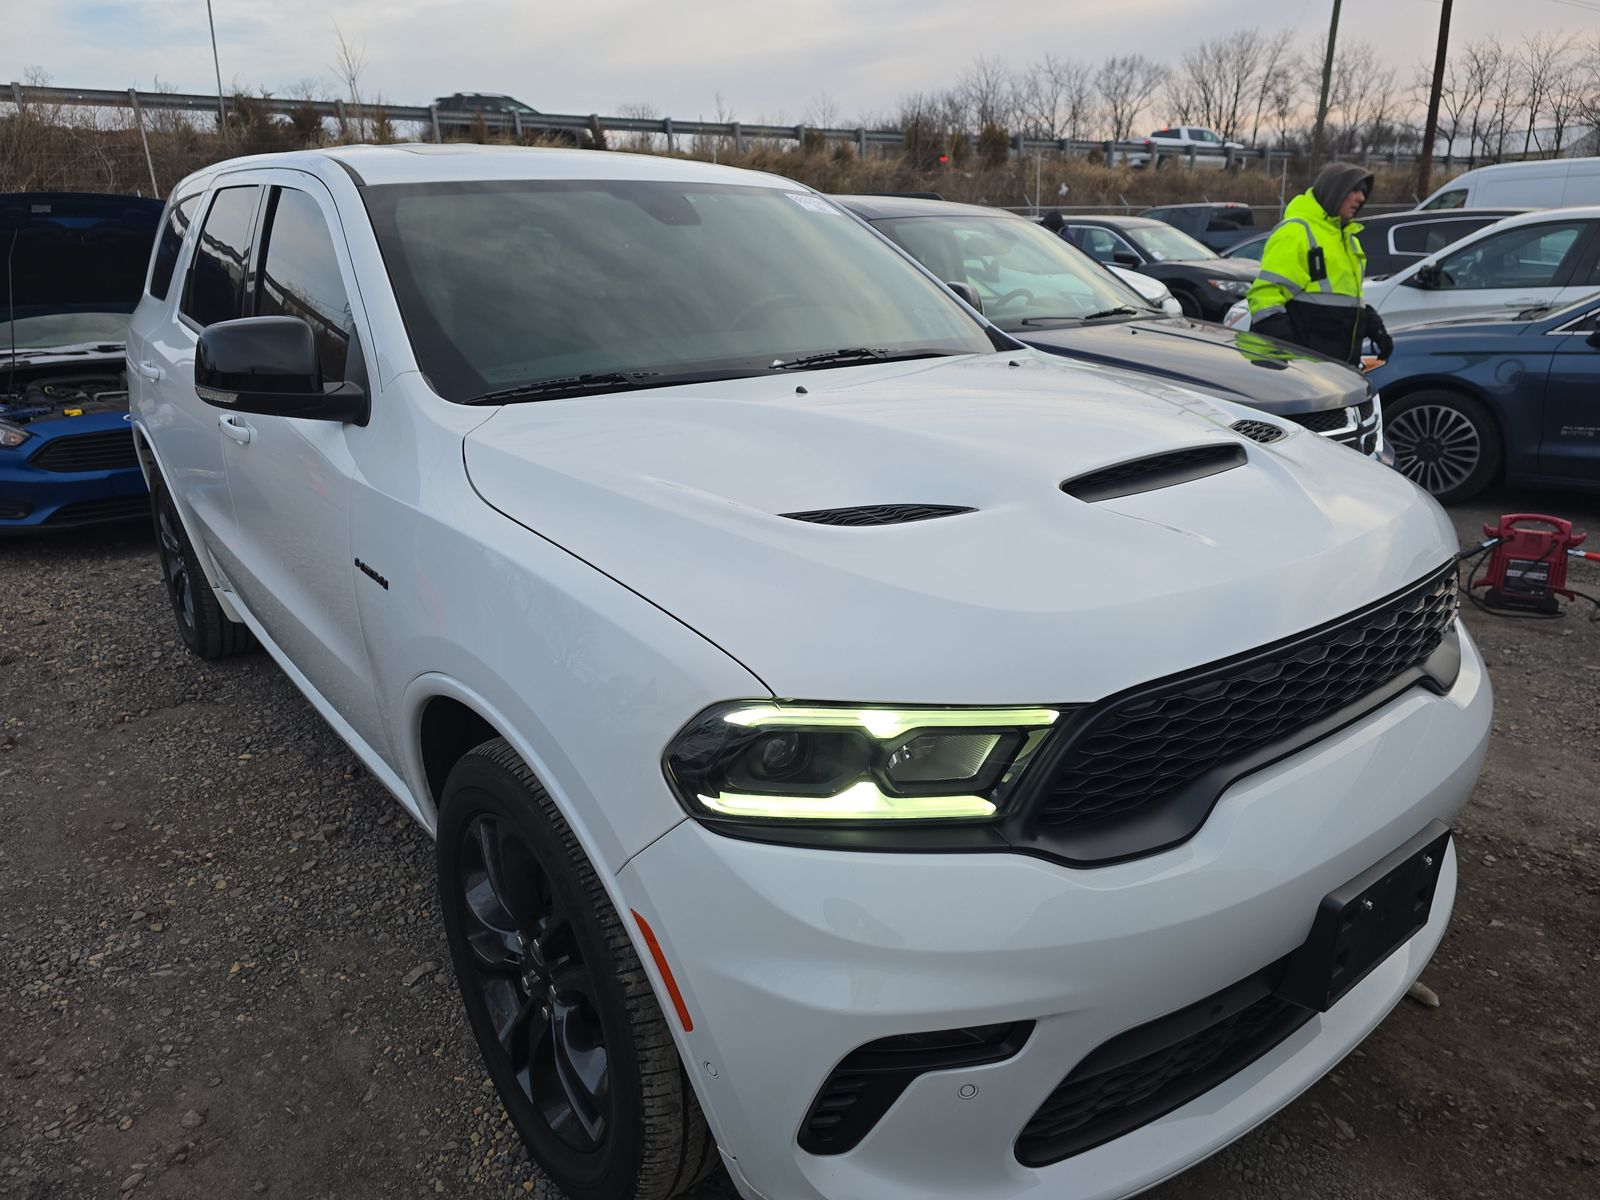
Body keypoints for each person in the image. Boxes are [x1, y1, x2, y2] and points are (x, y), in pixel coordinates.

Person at [1245, 162, 1393, 365]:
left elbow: (1340, 298)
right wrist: (1286, 351)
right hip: (1302, 369)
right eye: (1355, 190)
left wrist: (1370, 322)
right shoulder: (1296, 232)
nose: (1361, 198)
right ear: (1335, 191)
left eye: (1364, 192)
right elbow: (1264, 297)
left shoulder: (1349, 239)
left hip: (1334, 367)